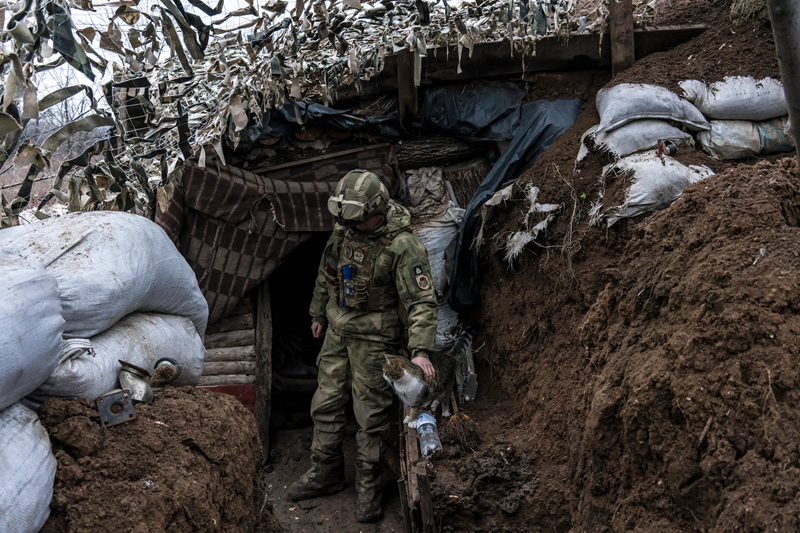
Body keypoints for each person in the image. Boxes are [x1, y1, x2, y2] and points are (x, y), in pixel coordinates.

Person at [287, 169, 439, 522]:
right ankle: (325, 473)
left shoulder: (404, 246)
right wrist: (317, 314)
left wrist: (420, 351)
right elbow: (327, 274)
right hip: (338, 334)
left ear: (377, 209)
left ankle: (368, 487)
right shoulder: (345, 230)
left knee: (370, 415)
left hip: (375, 341)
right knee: (325, 402)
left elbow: (421, 302)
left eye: (360, 220)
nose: (352, 226)